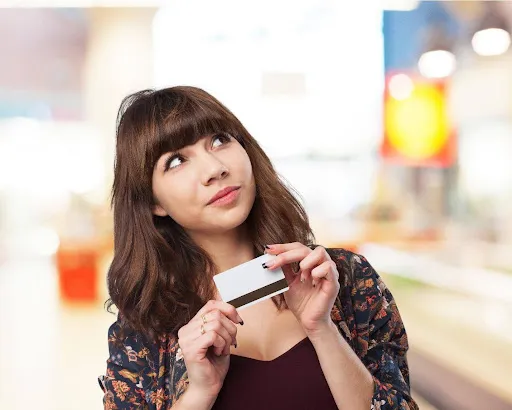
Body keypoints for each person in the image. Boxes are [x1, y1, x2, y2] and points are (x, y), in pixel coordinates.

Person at [98, 86, 419, 410]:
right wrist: (199, 392)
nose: (214, 169)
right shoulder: (145, 328)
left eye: (220, 139)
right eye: (177, 160)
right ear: (154, 203)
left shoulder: (345, 280)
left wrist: (323, 331)